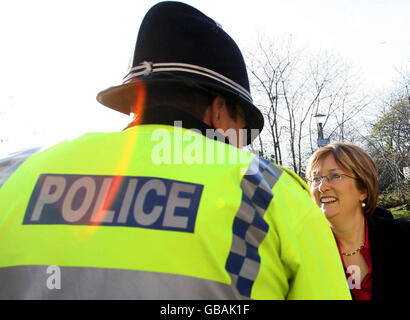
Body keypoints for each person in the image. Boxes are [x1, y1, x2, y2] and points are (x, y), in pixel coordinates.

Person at [0, 1, 351, 299]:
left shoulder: (15, 176)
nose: (243, 147)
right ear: (217, 111)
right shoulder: (267, 192)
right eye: (242, 130)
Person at [305, 142, 410, 300]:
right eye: (316, 178)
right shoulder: (305, 250)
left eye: (335, 176)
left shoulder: (403, 237)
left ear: (363, 189)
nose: (322, 187)